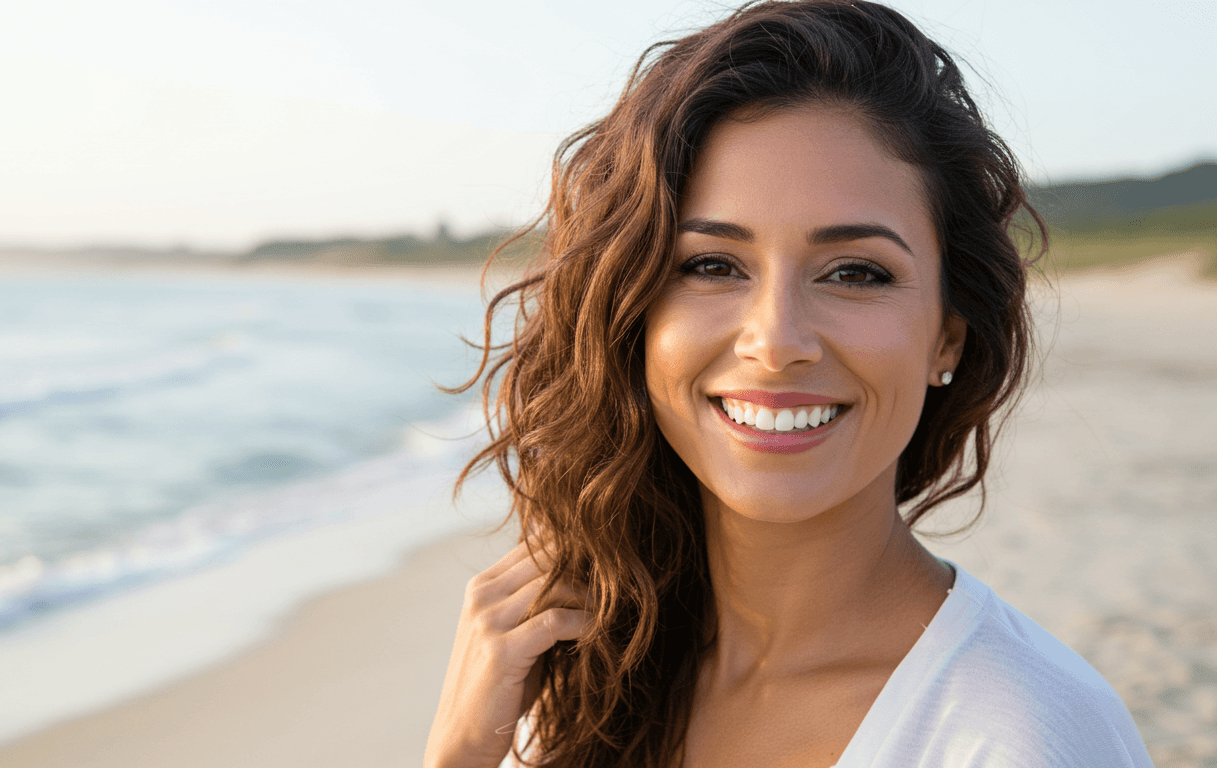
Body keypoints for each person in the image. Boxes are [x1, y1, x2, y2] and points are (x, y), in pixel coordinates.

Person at [425, 1, 1154, 766]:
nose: (775, 342)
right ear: (632, 314)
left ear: (948, 334)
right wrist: (464, 753)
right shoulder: (568, 671)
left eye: (856, 273)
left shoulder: (1020, 736)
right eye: (712, 265)